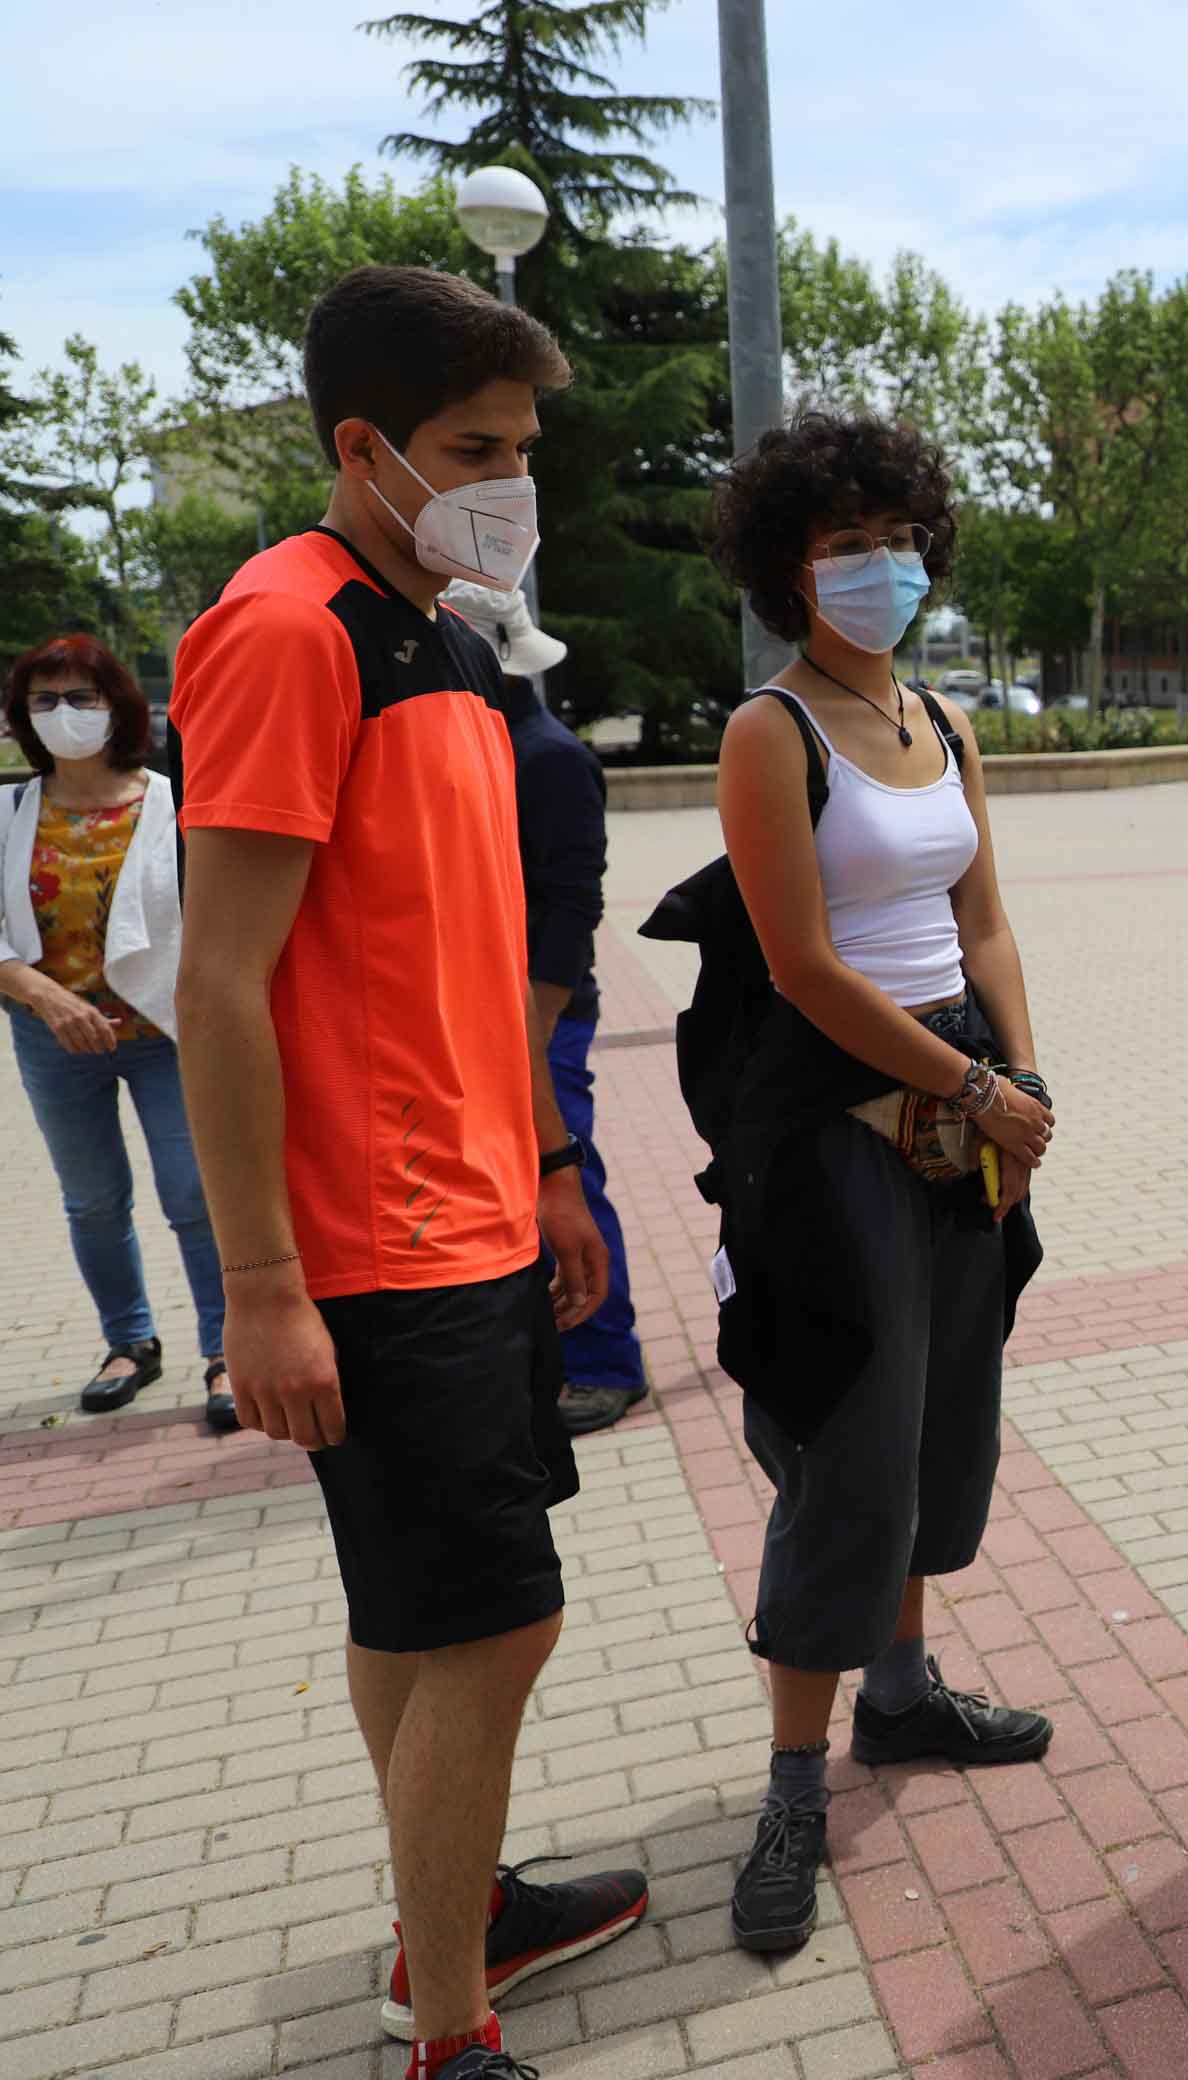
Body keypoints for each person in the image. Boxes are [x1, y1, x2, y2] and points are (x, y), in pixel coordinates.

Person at [168, 265, 644, 2080]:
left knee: (416, 1607)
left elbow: (470, 951)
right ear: (361, 446)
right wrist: (263, 1286)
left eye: (524, 450)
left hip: (478, 1211)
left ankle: (449, 1904)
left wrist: (553, 1169)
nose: (510, 485)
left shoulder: (438, 634)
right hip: (374, 1248)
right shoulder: (288, 629)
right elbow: (220, 982)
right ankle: (451, 2026)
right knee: (500, 1615)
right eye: (474, 451)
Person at [705, 407, 1058, 1958]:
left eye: (898, 537)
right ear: (789, 565)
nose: (880, 564)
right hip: (841, 1118)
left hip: (965, 1103)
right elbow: (797, 967)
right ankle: (793, 1783)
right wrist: (972, 1085)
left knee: (939, 1419)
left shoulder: (944, 721)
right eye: (846, 542)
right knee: (847, 1444)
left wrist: (1019, 1080)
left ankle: (901, 1703)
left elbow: (984, 924)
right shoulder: (767, 731)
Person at [4, 635, 233, 1429]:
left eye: (82, 698)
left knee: (195, 1195)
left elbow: (218, 921)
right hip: (54, 1038)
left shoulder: (174, 805)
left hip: (168, 1033)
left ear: (119, 708)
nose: (64, 715)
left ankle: (227, 1350)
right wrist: (42, 997)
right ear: (23, 718)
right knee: (93, 1201)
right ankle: (129, 1342)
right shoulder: (7, 812)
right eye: (45, 701)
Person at [444, 582, 646, 1435]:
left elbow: (571, 911)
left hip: (542, 1009)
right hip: (470, 1006)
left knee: (561, 1172)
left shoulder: (549, 756)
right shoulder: (469, 741)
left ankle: (605, 1361)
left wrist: (529, 1027)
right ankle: (544, 1355)